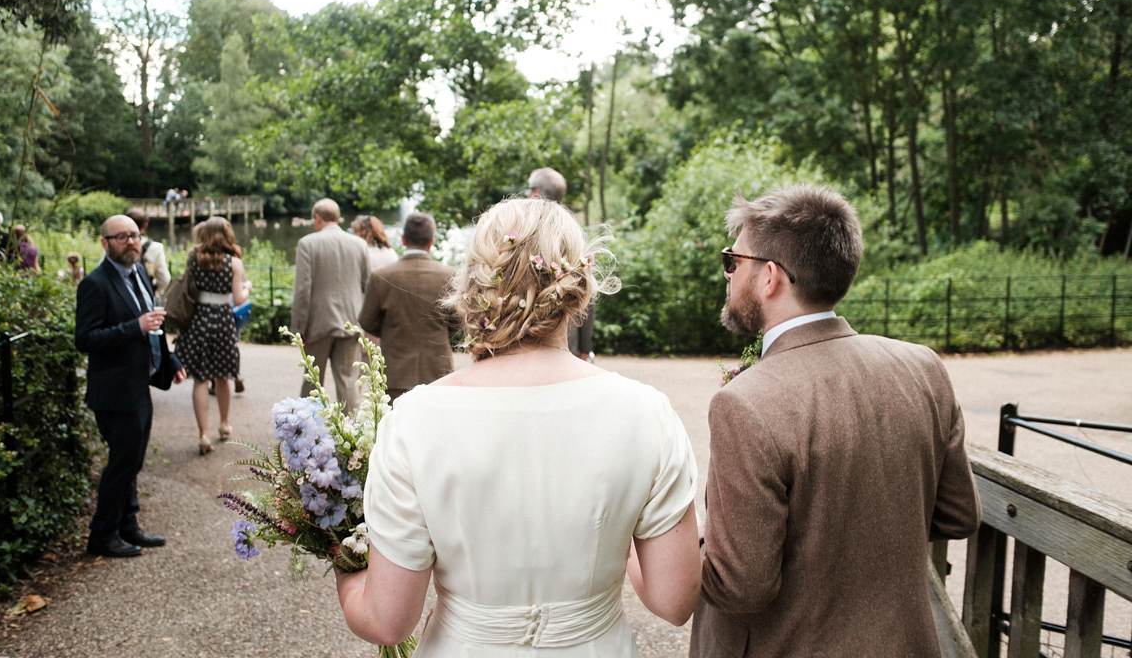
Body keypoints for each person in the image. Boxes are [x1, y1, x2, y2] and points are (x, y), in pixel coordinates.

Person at [336, 197, 701, 655]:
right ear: (579, 287)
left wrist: (346, 574)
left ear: (472, 284)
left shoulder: (413, 419)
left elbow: (388, 621)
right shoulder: (647, 412)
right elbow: (674, 600)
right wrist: (618, 532)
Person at [690, 186, 981, 658]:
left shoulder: (745, 402)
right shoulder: (922, 366)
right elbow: (958, 515)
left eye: (732, 261)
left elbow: (740, 587)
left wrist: (691, 534)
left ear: (769, 276)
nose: (727, 275)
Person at [75, 215, 186, 558]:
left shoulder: (139, 272)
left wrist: (170, 362)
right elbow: (86, 339)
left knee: (133, 460)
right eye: (121, 237)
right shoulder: (94, 284)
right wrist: (132, 327)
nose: (131, 242)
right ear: (105, 243)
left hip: (138, 384)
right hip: (113, 390)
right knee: (123, 463)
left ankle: (128, 525)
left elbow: (151, 325)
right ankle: (102, 535)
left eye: (134, 235)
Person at [173, 217, 251, 455]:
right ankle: (224, 424)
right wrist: (248, 288)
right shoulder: (234, 263)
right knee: (223, 375)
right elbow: (239, 299)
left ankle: (203, 434)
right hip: (222, 321)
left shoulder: (193, 258)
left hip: (198, 320)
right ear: (227, 235)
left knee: (200, 379)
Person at [357, 212, 456, 399]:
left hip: (394, 373)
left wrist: (391, 330)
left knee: (396, 426)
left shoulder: (381, 277)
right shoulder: (449, 276)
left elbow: (367, 321)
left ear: (403, 240)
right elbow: (458, 322)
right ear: (431, 241)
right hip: (437, 371)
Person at [290, 198, 370, 406]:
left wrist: (298, 328)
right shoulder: (360, 244)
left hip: (318, 323)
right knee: (349, 382)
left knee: (312, 382)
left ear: (317, 218)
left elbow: (302, 290)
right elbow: (367, 286)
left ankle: (307, 432)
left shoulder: (307, 243)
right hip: (351, 323)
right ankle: (352, 434)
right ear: (337, 217)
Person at [526, 167, 596, 361]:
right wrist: (585, 346)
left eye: (528, 190)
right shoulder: (578, 236)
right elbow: (587, 295)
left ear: (536, 192)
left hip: (523, 337)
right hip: (567, 338)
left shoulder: (520, 234)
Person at [127, 207, 170, 297]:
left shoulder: (114, 244)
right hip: (146, 296)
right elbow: (164, 279)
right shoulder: (156, 248)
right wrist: (151, 289)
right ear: (145, 226)